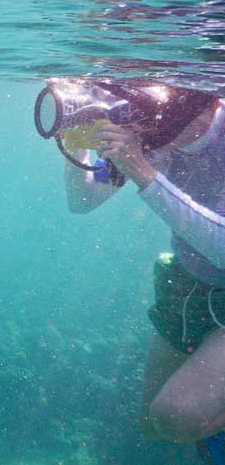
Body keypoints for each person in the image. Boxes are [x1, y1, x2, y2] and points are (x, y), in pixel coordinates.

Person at [64, 93, 225, 464]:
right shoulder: (156, 135)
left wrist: (140, 169)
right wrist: (75, 146)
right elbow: (83, 201)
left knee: (176, 416)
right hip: (191, 282)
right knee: (153, 423)